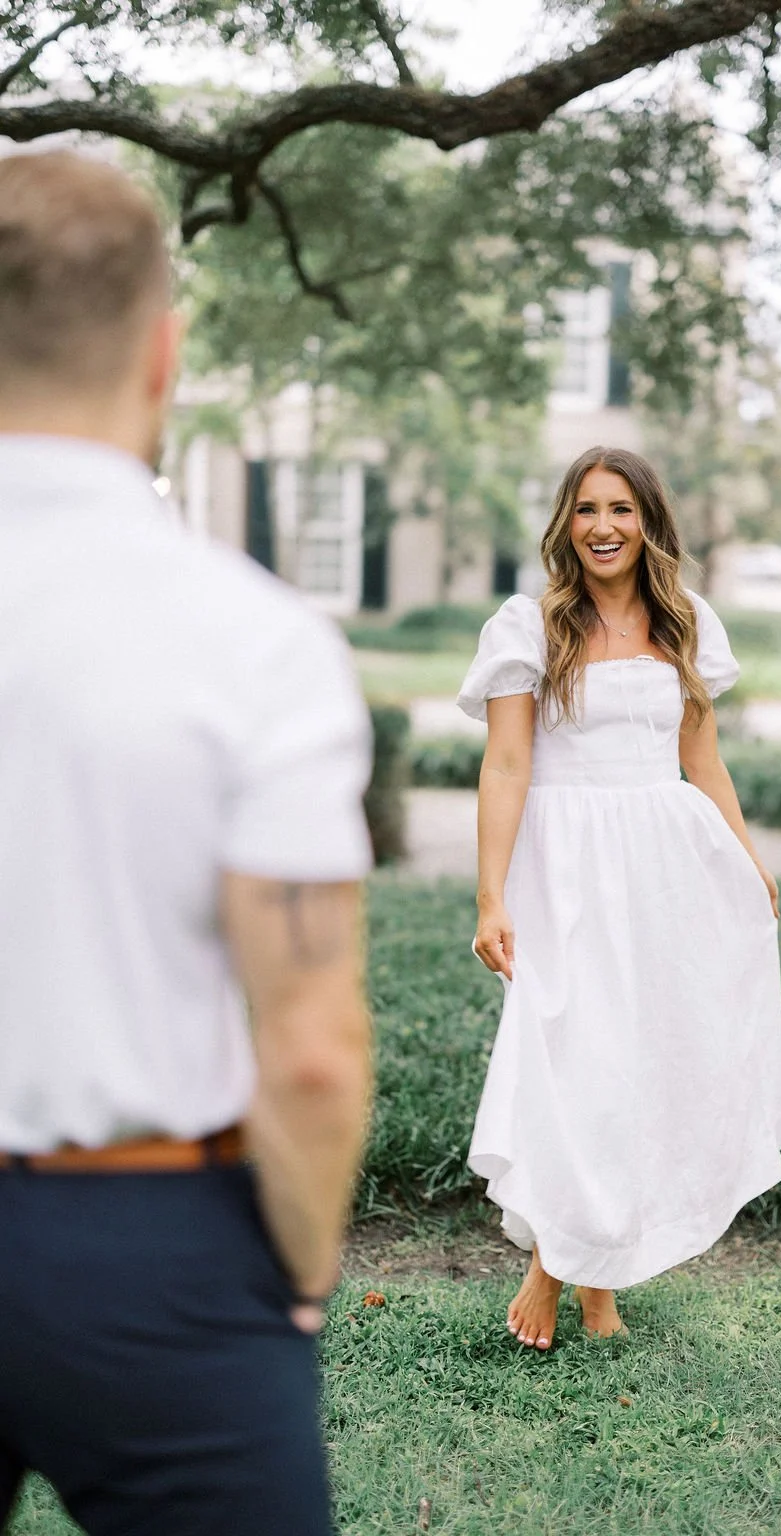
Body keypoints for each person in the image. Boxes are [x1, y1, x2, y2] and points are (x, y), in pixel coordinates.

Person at [0, 151, 373, 1535]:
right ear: (164, 353)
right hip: (149, 1245)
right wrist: (298, 1280)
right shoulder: (254, 641)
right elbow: (312, 1048)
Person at [457, 447, 781, 1350]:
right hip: (566, 867)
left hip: (668, 864)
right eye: (585, 509)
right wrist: (491, 896)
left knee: (644, 1061)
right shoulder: (529, 627)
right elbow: (506, 765)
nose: (603, 527)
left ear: (649, 522)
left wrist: (748, 859)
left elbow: (702, 760)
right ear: (565, 524)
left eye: (621, 509)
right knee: (575, 1062)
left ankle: (591, 1282)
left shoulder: (685, 622)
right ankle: (555, 1265)